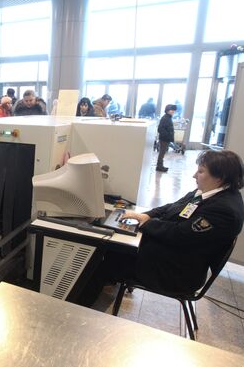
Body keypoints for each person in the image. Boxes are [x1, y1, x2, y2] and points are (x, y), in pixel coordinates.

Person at [77, 150, 244, 306]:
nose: (194, 175)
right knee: (115, 246)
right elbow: (172, 207)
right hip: (173, 256)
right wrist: (146, 215)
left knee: (104, 256)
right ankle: (104, 285)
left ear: (219, 178)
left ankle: (79, 306)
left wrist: (145, 224)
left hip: (176, 272)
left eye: (200, 171)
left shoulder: (224, 210)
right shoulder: (210, 192)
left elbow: (180, 234)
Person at [156, 104, 176, 172]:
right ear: (167, 110)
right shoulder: (165, 118)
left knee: (162, 152)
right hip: (164, 139)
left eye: (174, 110)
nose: (173, 111)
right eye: (171, 110)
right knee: (162, 152)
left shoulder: (168, 117)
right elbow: (160, 129)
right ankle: (159, 166)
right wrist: (167, 135)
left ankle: (160, 166)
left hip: (165, 138)